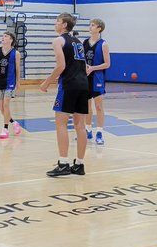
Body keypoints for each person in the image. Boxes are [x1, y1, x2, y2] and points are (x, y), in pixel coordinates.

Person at [41, 12, 89, 177]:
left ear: (63, 25)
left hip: (69, 85)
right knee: (80, 126)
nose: (55, 24)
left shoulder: (58, 40)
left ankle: (63, 163)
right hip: (84, 84)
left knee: (61, 123)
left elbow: (61, 66)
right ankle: (80, 164)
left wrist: (47, 82)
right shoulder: (79, 42)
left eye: (57, 21)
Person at [83, 18, 112, 145]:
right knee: (87, 106)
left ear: (99, 28)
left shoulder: (103, 44)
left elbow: (107, 64)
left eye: (93, 25)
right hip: (85, 78)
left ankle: (99, 132)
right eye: (90, 25)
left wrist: (93, 68)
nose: (90, 27)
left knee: (99, 106)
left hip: (97, 78)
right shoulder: (84, 42)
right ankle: (87, 130)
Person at [0, 31, 21, 140]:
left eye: (6, 36)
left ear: (11, 40)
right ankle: (14, 122)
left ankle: (5, 128)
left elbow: (17, 69)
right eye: (3, 36)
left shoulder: (16, 53)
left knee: (6, 105)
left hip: (10, 82)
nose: (3, 38)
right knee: (1, 108)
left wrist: (18, 81)